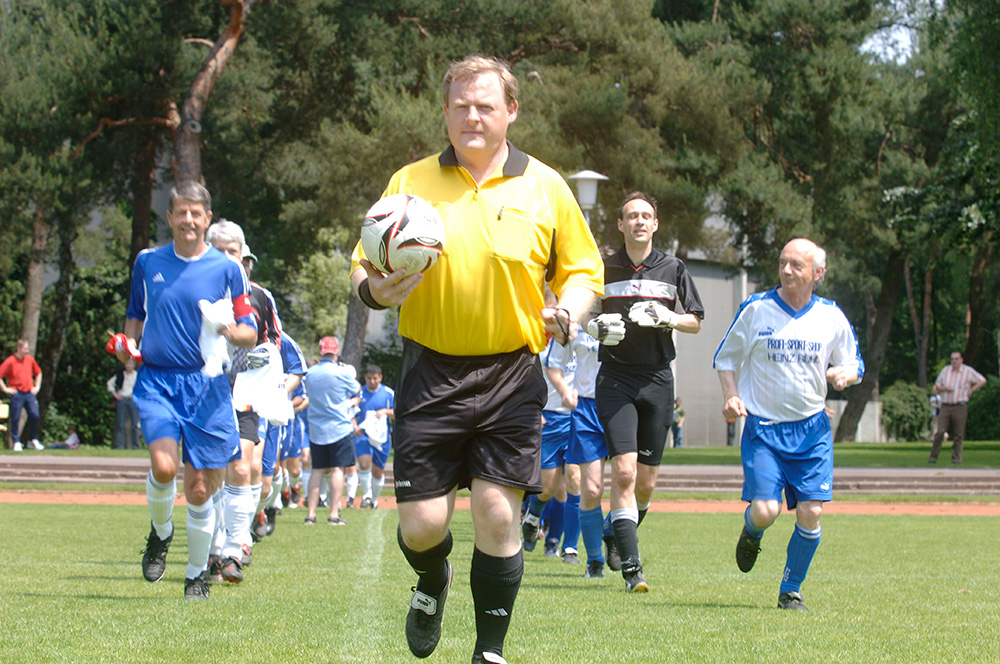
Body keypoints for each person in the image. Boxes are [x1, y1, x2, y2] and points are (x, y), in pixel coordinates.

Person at [350, 54, 604, 664]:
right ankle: (432, 577)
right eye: (460, 105)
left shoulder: (545, 186)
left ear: (510, 111)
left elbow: (583, 272)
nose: (472, 116)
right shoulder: (409, 182)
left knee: (497, 513)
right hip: (429, 371)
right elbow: (362, 264)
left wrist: (569, 312)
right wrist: (374, 290)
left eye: (485, 105)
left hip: (511, 374)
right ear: (444, 111)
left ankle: (488, 649)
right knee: (421, 528)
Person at [116, 181, 257, 600]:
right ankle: (161, 532)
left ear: (207, 218)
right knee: (163, 467)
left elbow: (249, 331)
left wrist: (229, 330)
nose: (189, 220)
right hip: (157, 380)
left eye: (197, 213)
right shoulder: (148, 262)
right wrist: (127, 348)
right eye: (181, 212)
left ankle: (196, 575)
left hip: (206, 386)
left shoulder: (227, 269)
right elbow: (134, 315)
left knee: (198, 488)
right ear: (170, 217)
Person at [714, 237, 863, 611]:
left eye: (797, 264)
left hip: (812, 432)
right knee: (767, 510)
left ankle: (790, 590)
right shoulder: (757, 309)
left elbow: (855, 364)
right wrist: (731, 396)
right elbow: (725, 358)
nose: (786, 270)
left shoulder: (830, 315)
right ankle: (752, 530)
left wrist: (845, 375)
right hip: (764, 430)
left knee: (812, 512)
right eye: (783, 262)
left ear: (818, 272)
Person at [593, 191, 704, 593]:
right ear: (620, 224)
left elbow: (696, 321)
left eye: (646, 216)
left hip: (657, 379)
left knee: (645, 483)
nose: (639, 221)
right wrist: (593, 327)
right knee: (623, 470)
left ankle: (614, 530)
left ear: (655, 224)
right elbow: (586, 311)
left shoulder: (673, 267)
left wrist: (669, 317)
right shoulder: (603, 267)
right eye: (632, 216)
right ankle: (632, 569)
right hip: (615, 378)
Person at [205, 220, 283, 582]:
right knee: (209, 474)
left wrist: (263, 356)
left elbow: (273, 339)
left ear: (243, 255)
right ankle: (213, 548)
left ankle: (234, 549)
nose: (226, 258)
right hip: (202, 391)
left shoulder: (258, 296)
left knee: (241, 467)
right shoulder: (195, 289)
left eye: (232, 252)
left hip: (245, 392)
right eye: (219, 251)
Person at [303, 336, 360, 526]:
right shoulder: (341, 372)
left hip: (317, 429)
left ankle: (311, 515)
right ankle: (334, 514)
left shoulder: (310, 373)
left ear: (321, 352)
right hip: (339, 428)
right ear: (336, 352)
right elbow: (356, 388)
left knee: (317, 471)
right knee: (337, 470)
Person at [929, 351, 986, 464]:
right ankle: (933, 457)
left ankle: (956, 458)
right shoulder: (945, 371)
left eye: (956, 359)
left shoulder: (967, 371)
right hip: (946, 405)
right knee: (940, 431)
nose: (954, 361)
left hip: (960, 405)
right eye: (952, 359)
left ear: (961, 360)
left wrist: (971, 390)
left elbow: (982, 380)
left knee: (958, 433)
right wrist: (945, 388)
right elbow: (936, 387)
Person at [351, 364, 394, 510]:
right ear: (365, 378)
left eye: (375, 378)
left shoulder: (388, 393)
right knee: (364, 464)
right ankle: (367, 495)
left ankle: (374, 499)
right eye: (369, 378)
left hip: (382, 437)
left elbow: (398, 413)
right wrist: (355, 426)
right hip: (363, 435)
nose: (372, 381)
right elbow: (352, 413)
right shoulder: (359, 393)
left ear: (380, 377)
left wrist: (385, 411)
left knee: (377, 472)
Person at [1, 339, 44, 451]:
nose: (27, 351)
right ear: (18, 349)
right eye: (25, 349)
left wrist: (37, 387)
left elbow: (38, 372)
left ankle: (33, 440)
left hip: (29, 392)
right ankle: (16, 442)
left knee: (35, 414)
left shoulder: (29, 360)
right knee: (15, 417)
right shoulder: (10, 361)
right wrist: (5, 389)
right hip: (17, 393)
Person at [107, 358, 141, 449]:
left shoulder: (137, 375)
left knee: (134, 424)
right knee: (121, 424)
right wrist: (115, 394)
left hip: (132, 400)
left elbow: (142, 386)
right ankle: (120, 445)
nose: (129, 366)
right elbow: (110, 383)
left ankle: (135, 446)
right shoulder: (120, 375)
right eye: (128, 364)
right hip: (122, 399)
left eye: (131, 364)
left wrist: (136, 395)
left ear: (134, 366)